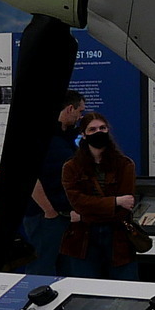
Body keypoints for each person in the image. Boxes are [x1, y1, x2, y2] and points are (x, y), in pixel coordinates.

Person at [60, 111, 140, 280]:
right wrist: (115, 201)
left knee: (125, 290)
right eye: (92, 129)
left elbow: (126, 207)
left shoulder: (125, 164)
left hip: (117, 238)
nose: (99, 132)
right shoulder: (71, 167)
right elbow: (78, 203)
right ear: (83, 134)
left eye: (102, 128)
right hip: (83, 239)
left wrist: (85, 215)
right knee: (87, 291)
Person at [23, 90, 85, 275]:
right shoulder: (41, 136)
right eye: (79, 111)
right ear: (69, 109)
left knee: (66, 267)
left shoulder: (67, 138)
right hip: (44, 216)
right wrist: (48, 210)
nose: (81, 116)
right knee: (42, 266)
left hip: (64, 214)